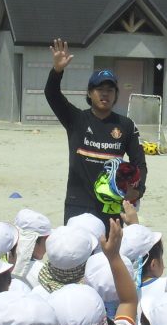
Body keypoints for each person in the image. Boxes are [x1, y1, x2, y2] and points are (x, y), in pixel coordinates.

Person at [44, 38, 147, 225]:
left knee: (108, 254)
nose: (105, 94)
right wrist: (57, 70)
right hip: (78, 204)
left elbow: (139, 163)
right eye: (99, 89)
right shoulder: (76, 119)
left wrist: (138, 190)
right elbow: (52, 94)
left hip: (112, 205)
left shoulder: (126, 125)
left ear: (116, 94)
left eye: (110, 90)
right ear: (90, 93)